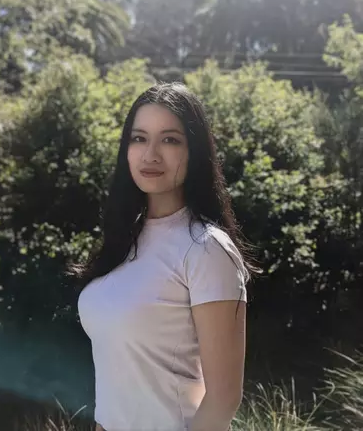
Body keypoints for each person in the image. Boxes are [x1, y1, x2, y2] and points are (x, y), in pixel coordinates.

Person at [73, 83, 258, 431]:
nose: (151, 154)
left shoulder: (206, 247)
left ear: (194, 151)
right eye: (139, 138)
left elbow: (223, 399)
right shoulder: (122, 241)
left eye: (170, 140)